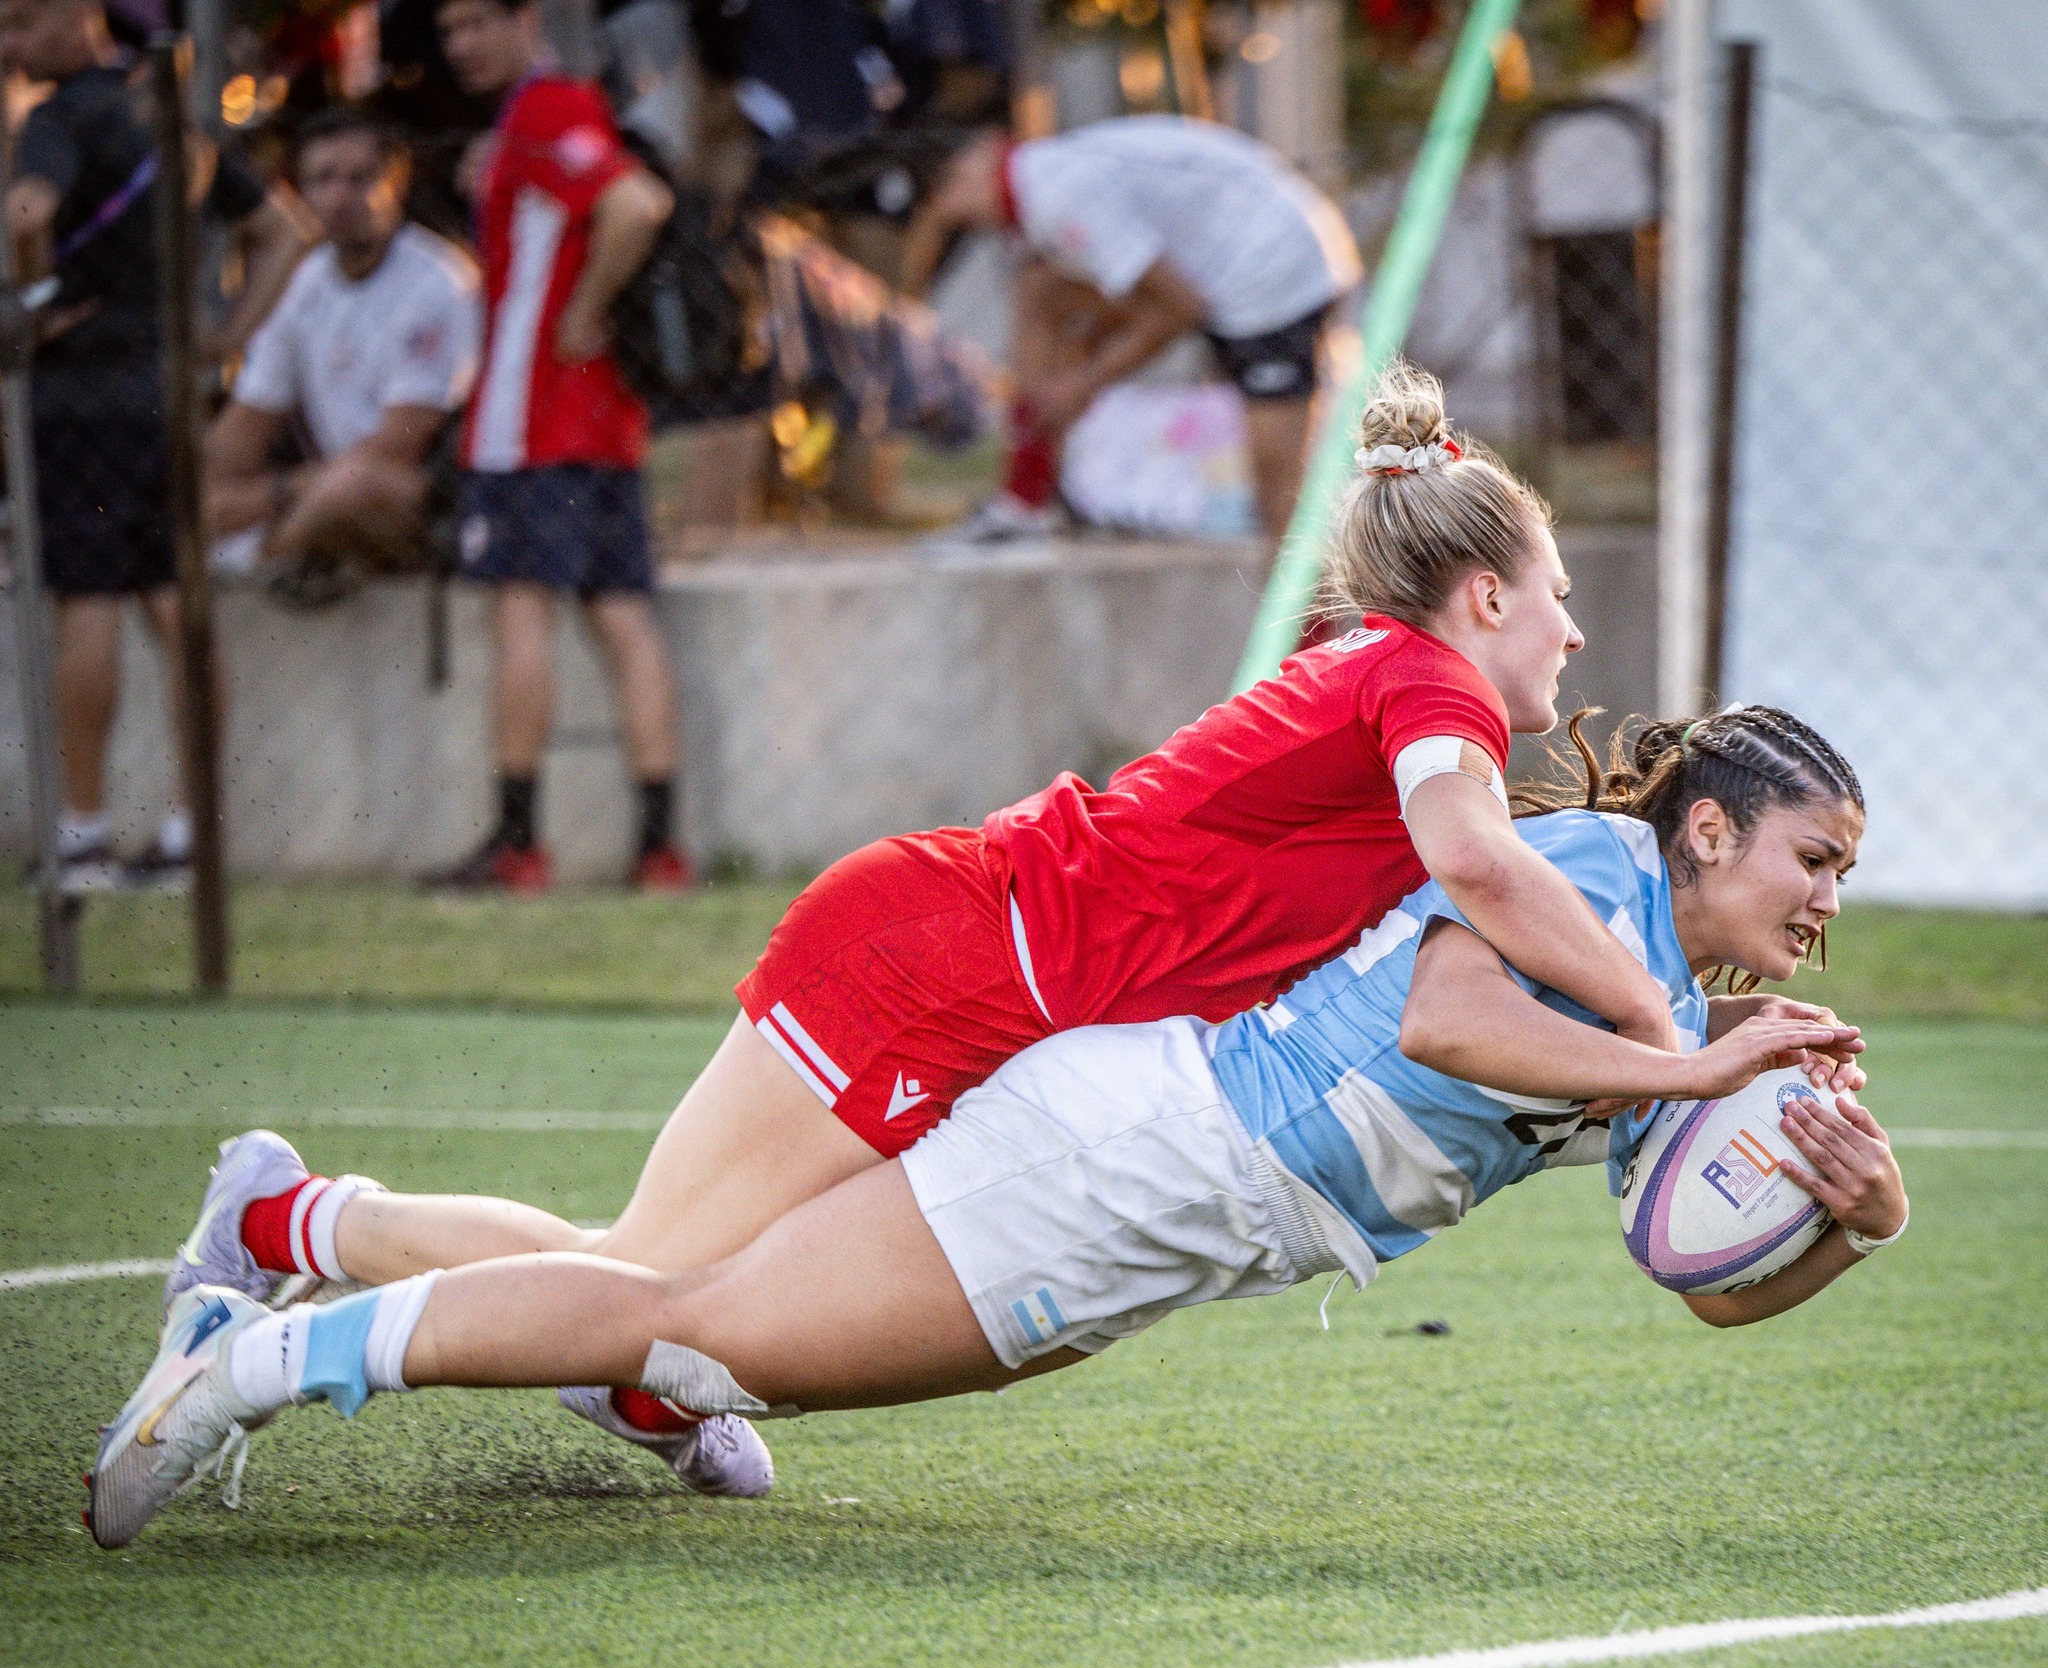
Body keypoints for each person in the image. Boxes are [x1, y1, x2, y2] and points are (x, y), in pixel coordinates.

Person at [147, 363, 1685, 1494]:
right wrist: (1662, 1031)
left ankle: (631, 1382)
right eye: (1557, 591)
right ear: (1485, 598)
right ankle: (284, 1223)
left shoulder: (1386, 670)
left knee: (677, 1284)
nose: (1576, 627)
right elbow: (1479, 862)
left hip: (987, 975)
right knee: (643, 1274)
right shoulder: (1426, 677)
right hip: (939, 959)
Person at [86, 707, 1907, 1549]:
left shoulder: (1665, 1004)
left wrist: (1853, 1221)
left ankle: (293, 1230)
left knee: (680, 1302)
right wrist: (1695, 1072)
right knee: (687, 1326)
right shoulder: (1595, 873)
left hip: (1172, 1202)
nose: (1826, 897)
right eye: (1810, 855)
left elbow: (1700, 1279)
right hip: (1144, 1159)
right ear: (1702, 832)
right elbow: (1443, 1012)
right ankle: (247, 1368)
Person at [1, 0, 312, 890]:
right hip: (167, 395)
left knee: (88, 604)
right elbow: (282, 232)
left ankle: (83, 836)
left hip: (78, 401)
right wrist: (226, 339)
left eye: (21, 24)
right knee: (178, 606)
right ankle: (190, 832)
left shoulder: (55, 120)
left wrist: (30, 300)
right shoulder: (167, 123)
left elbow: (26, 213)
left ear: (79, 16)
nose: (8, 45)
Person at [432, 0, 694, 894]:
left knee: (522, 613)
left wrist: (584, 309)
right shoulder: (537, 118)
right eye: (449, 30)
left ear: (526, 18)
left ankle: (518, 847)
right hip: (601, 424)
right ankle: (659, 850)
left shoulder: (548, 107)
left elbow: (634, 203)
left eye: (478, 23)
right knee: (621, 617)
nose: (462, 45)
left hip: (533, 421)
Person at [900, 117, 1363, 540]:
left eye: (949, 202)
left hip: (1274, 270)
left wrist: (1084, 384)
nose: (961, 218)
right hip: (1235, 264)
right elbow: (1139, 299)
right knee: (1040, 287)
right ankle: (1028, 494)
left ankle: (1315, 610)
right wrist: (1086, 360)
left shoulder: (1053, 196)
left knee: (1280, 485)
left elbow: (1179, 308)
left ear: (968, 167)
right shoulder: (1040, 180)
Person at [206, 109, 481, 596]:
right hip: (323, 487)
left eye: (360, 179)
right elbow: (244, 426)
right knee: (186, 500)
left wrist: (275, 495)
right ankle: (287, 559)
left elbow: (400, 444)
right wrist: (212, 494)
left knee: (353, 488)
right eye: (322, 180)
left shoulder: (439, 280)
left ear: (397, 182)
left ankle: (258, 574)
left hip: (429, 496)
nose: (339, 198)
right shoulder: (305, 280)